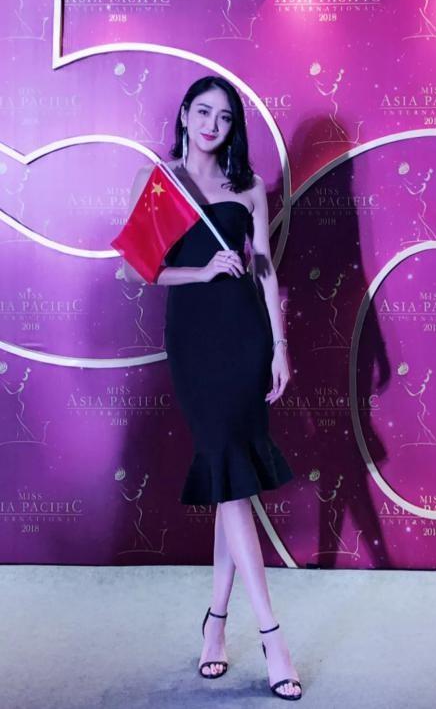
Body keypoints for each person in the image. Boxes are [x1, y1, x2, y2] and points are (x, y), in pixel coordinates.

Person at [123, 75, 302, 701]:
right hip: (196, 341)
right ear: (184, 115)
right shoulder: (162, 181)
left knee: (232, 482)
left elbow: (265, 266)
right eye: (202, 113)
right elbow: (139, 268)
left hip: (246, 336)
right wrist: (200, 271)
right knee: (229, 475)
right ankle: (272, 634)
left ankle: (216, 624)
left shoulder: (248, 187)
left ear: (233, 127)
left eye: (224, 118)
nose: (211, 126)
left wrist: (279, 345)